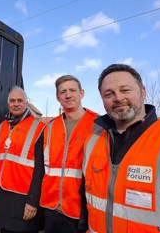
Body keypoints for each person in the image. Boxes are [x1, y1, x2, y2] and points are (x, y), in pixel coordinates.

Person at [82, 63, 160, 232]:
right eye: (109, 94)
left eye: (125, 90)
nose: (118, 98)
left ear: (143, 92)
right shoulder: (92, 141)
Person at [39, 75, 98, 233]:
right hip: (51, 207)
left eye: (72, 90)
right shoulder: (50, 127)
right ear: (57, 97)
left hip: (82, 210)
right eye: (63, 91)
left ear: (82, 93)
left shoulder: (99, 125)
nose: (68, 95)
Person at [0, 86, 45, 233]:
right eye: (12, 100)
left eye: (20, 100)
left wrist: (33, 201)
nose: (16, 104)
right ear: (8, 103)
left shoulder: (39, 127)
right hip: (2, 193)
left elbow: (41, 169)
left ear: (26, 103)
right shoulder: (2, 126)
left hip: (23, 197)